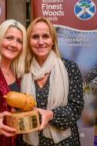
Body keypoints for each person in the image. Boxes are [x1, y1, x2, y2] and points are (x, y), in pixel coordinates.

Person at [19, 17, 84, 146]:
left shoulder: (69, 68)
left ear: (53, 40)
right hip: (29, 142)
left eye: (45, 36)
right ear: (29, 41)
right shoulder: (22, 70)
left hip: (64, 142)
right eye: (35, 37)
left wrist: (51, 115)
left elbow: (76, 109)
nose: (40, 41)